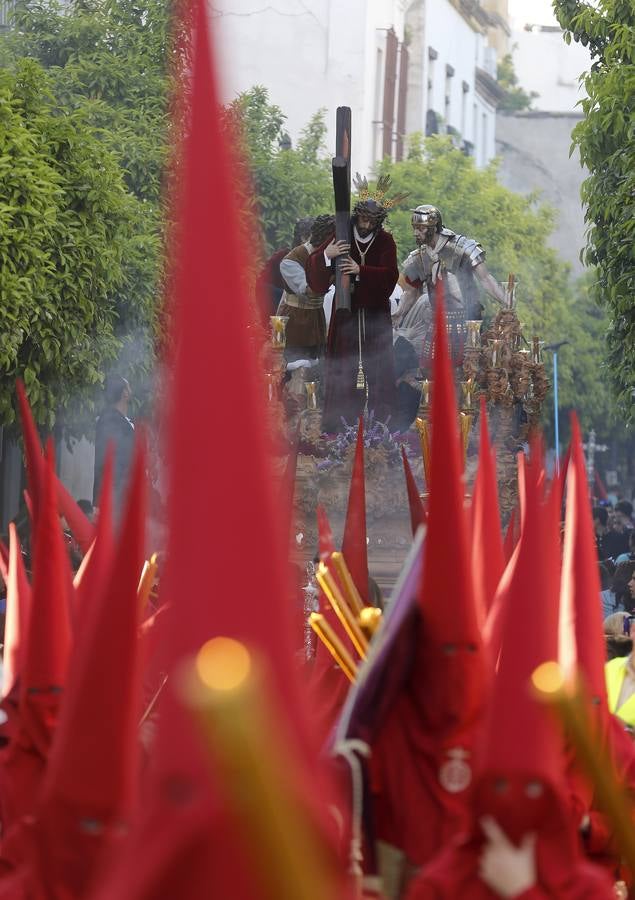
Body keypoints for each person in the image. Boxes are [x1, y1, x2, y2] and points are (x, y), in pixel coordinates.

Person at [306, 177, 399, 432]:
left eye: (371, 221)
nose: (366, 225)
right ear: (357, 216)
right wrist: (328, 255)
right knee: (343, 369)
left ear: (378, 221)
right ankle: (340, 426)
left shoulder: (385, 241)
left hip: (374, 316)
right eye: (363, 219)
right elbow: (315, 269)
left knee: (377, 369)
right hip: (346, 315)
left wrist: (361, 270)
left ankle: (378, 427)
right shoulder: (342, 233)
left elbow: (390, 276)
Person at [396, 205, 507, 368]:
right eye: (415, 228)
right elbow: (412, 290)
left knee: (468, 373)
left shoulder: (461, 248)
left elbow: (485, 279)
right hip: (437, 325)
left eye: (420, 228)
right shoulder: (420, 257)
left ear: (433, 228)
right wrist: (399, 314)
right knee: (431, 374)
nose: (415, 233)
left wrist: (507, 302)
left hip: (467, 324)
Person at [277, 215, 335, 362]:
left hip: (317, 319)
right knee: (294, 370)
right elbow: (311, 290)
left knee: (317, 372)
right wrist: (325, 257)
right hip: (295, 322)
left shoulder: (333, 256)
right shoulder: (290, 261)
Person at [254, 217, 314, 324]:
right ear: (304, 238)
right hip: (280, 314)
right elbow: (261, 286)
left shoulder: (313, 259)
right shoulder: (282, 258)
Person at [93, 375, 135, 518]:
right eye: (128, 386)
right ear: (124, 392)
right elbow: (106, 462)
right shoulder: (109, 421)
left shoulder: (124, 421)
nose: (131, 389)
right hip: (115, 497)